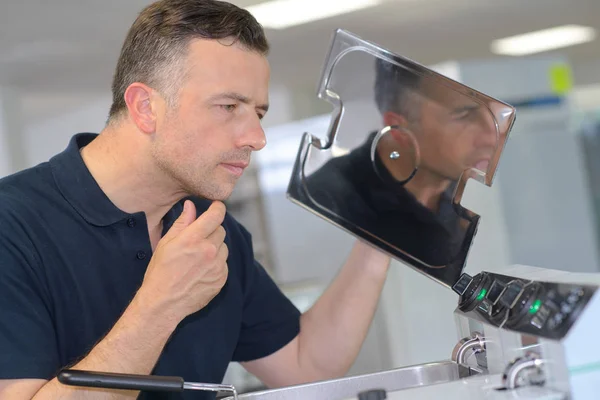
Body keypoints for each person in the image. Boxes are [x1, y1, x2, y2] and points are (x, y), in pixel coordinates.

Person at [0, 1, 391, 399]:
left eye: (258, 112)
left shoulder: (213, 230)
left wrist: (381, 238)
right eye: (228, 107)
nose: (257, 138)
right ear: (145, 107)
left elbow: (306, 365)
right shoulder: (11, 225)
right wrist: (160, 305)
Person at [302, 58, 499, 285]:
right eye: (465, 116)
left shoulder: (462, 188)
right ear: (400, 129)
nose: (491, 138)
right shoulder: (327, 200)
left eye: (491, 119)